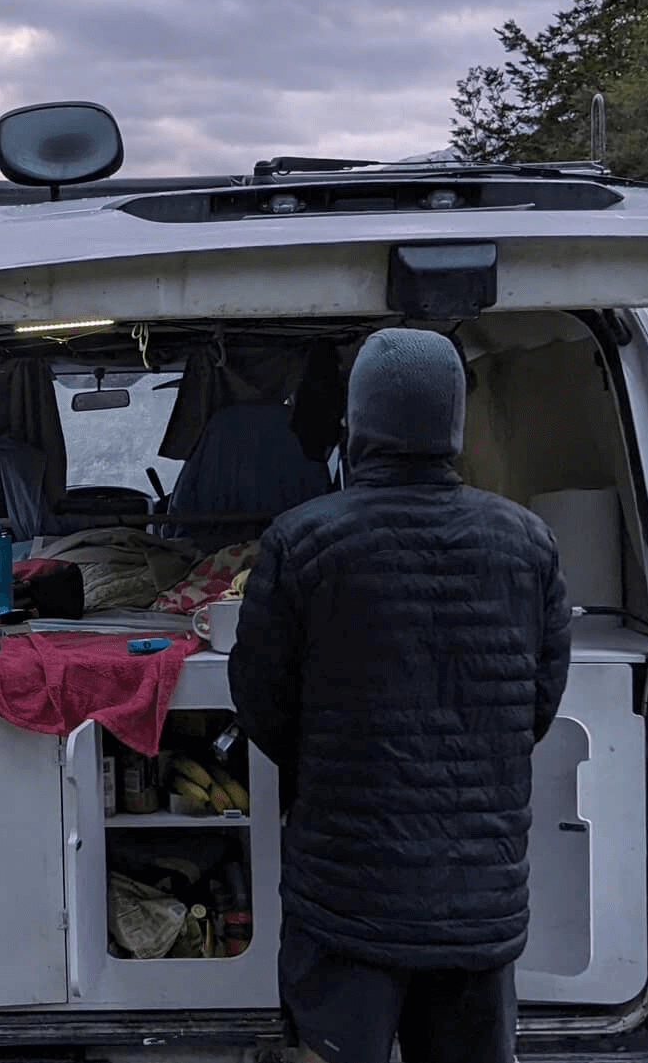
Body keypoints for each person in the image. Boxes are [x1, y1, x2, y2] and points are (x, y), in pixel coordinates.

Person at [229, 326, 572, 1063]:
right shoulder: (530, 543)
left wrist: (323, 761)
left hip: (345, 904)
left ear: (357, 424)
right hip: (478, 907)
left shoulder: (300, 541)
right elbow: (537, 704)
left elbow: (262, 703)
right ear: (453, 427)